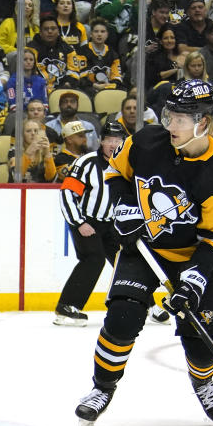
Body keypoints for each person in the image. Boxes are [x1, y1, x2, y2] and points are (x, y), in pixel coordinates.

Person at [74, 79, 213, 426]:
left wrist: (193, 282)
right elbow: (116, 172)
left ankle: (203, 382)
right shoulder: (147, 141)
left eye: (182, 119)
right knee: (122, 317)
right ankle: (101, 388)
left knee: (203, 342)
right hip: (144, 249)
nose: (172, 125)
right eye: (170, 115)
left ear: (204, 123)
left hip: (193, 256)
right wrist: (124, 207)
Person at [54, 121, 128, 326]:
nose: (113, 144)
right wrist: (78, 223)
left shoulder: (127, 164)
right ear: (101, 141)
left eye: (118, 140)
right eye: (109, 140)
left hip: (112, 224)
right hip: (87, 221)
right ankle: (67, 306)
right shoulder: (86, 163)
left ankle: (146, 305)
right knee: (94, 259)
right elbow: (67, 193)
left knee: (127, 262)